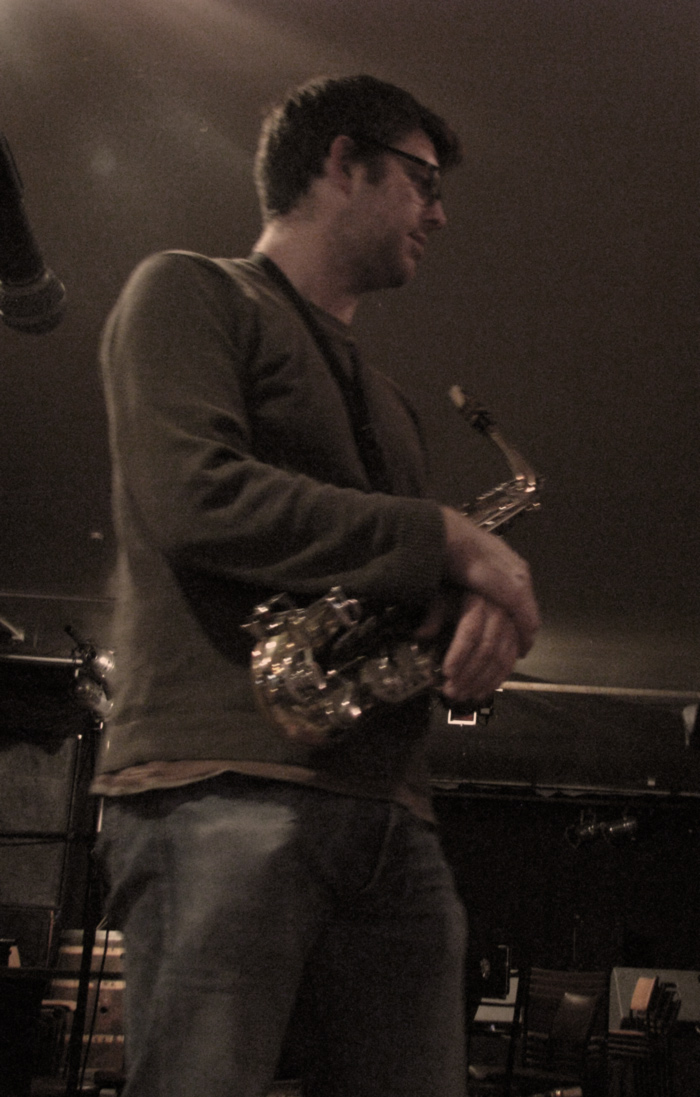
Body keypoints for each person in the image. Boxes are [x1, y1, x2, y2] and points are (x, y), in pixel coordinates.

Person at [93, 74, 539, 1097]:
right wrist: (442, 536)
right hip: (219, 785)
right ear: (343, 161)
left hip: (390, 811)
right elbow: (196, 497)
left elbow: (385, 581)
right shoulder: (188, 291)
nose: (439, 214)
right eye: (422, 182)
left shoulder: (394, 404)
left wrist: (466, 611)